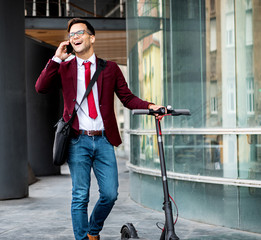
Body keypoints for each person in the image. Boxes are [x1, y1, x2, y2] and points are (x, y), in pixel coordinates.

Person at [35, 18, 164, 240]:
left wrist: (151, 106)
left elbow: (127, 98)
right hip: (77, 141)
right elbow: (41, 87)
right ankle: (83, 238)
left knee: (110, 194)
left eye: (80, 32)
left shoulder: (110, 68)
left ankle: (92, 231)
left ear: (92, 37)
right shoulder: (64, 68)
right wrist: (56, 58)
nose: (74, 37)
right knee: (80, 196)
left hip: (104, 140)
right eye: (71, 34)